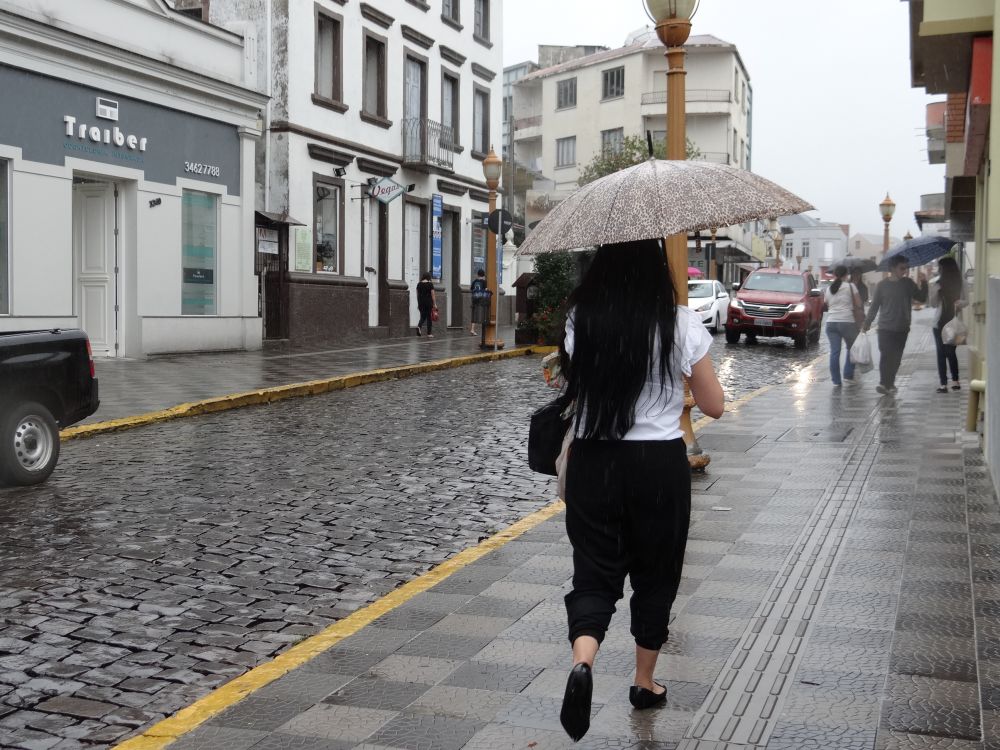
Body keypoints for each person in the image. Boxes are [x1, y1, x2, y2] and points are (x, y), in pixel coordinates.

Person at [556, 238, 724, 743]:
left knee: (594, 572)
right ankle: (644, 682)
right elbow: (714, 406)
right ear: (657, 271)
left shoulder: (580, 318)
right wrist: (681, 385)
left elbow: (573, 382)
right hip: (657, 464)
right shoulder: (680, 324)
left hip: (593, 459)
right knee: (656, 573)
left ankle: (583, 662)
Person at [862, 255, 928, 395]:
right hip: (885, 327)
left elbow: (922, 298)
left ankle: (889, 383)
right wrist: (867, 323)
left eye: (906, 268)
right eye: (902, 268)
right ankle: (884, 383)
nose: (904, 271)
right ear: (892, 268)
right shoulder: (882, 285)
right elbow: (874, 307)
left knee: (896, 358)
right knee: (886, 356)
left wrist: (924, 283)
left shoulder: (908, 284)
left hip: (902, 327)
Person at [824, 265, 863, 387]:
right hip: (847, 322)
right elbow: (859, 303)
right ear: (846, 275)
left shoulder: (829, 288)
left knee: (835, 352)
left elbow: (826, 304)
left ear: (835, 275)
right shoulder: (850, 286)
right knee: (852, 348)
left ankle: (836, 380)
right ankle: (848, 374)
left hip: (831, 323)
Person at [932, 256, 964, 393]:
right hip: (938, 323)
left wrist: (959, 303)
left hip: (954, 322)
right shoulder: (937, 283)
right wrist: (935, 293)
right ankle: (943, 384)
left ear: (946, 269)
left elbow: (966, 300)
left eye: (940, 267)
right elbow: (933, 304)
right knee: (941, 353)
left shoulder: (961, 282)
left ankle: (955, 381)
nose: (939, 270)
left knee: (951, 352)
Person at [415, 272, 436, 338]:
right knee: (429, 318)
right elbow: (433, 295)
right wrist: (434, 304)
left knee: (423, 316)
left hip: (421, 303)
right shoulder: (430, 284)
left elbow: (417, 295)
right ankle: (429, 333)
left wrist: (418, 303)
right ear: (428, 277)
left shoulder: (419, 284)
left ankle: (419, 326)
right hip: (428, 303)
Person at [469, 269, 488, 336]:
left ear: (477, 274)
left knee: (474, 314)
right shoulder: (484, 282)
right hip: (481, 300)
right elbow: (485, 290)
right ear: (483, 275)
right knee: (483, 313)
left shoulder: (474, 281)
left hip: (474, 299)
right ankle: (484, 329)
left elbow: (471, 289)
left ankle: (472, 329)